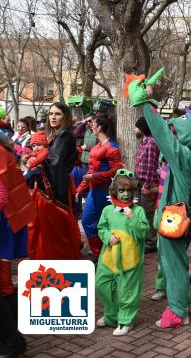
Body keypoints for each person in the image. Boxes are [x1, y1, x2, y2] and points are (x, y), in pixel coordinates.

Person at [127, 71, 191, 329]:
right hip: (184, 217)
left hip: (175, 219)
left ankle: (178, 311)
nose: (171, 133)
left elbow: (160, 132)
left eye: (176, 130)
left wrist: (146, 105)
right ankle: (186, 300)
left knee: (172, 266)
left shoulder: (181, 155)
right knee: (178, 263)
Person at [95, 169, 149, 336]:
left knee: (127, 291)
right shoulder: (107, 210)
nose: (126, 194)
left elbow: (144, 233)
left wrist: (132, 217)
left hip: (130, 259)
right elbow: (101, 228)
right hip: (109, 257)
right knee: (102, 285)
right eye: (121, 190)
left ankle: (126, 320)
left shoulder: (138, 211)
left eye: (129, 191)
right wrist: (107, 237)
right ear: (114, 192)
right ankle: (111, 316)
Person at [29, 102, 81, 260]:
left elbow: (54, 162)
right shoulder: (55, 136)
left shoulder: (65, 135)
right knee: (44, 233)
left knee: (53, 236)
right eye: (51, 113)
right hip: (48, 190)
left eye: (57, 114)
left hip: (53, 192)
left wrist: (38, 164)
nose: (52, 117)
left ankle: (54, 273)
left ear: (65, 116)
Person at [0, 133, 33, 358]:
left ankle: (12, 340)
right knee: (3, 285)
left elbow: (1, 197)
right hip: (6, 224)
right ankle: (12, 337)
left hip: (3, 224)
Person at [77, 114, 123, 258]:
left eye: (93, 123)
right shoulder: (98, 145)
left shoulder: (112, 147)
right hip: (94, 190)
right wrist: (79, 190)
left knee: (102, 223)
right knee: (88, 221)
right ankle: (99, 252)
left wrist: (95, 177)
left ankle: (104, 253)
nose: (91, 125)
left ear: (100, 127)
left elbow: (116, 170)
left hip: (105, 191)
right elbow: (91, 170)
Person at [134, 117, 160, 252]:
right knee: (139, 211)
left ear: (142, 128)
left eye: (136, 127)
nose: (135, 130)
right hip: (139, 181)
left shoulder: (151, 143)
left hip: (146, 183)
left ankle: (151, 241)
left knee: (148, 212)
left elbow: (150, 166)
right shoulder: (143, 142)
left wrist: (148, 185)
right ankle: (143, 237)